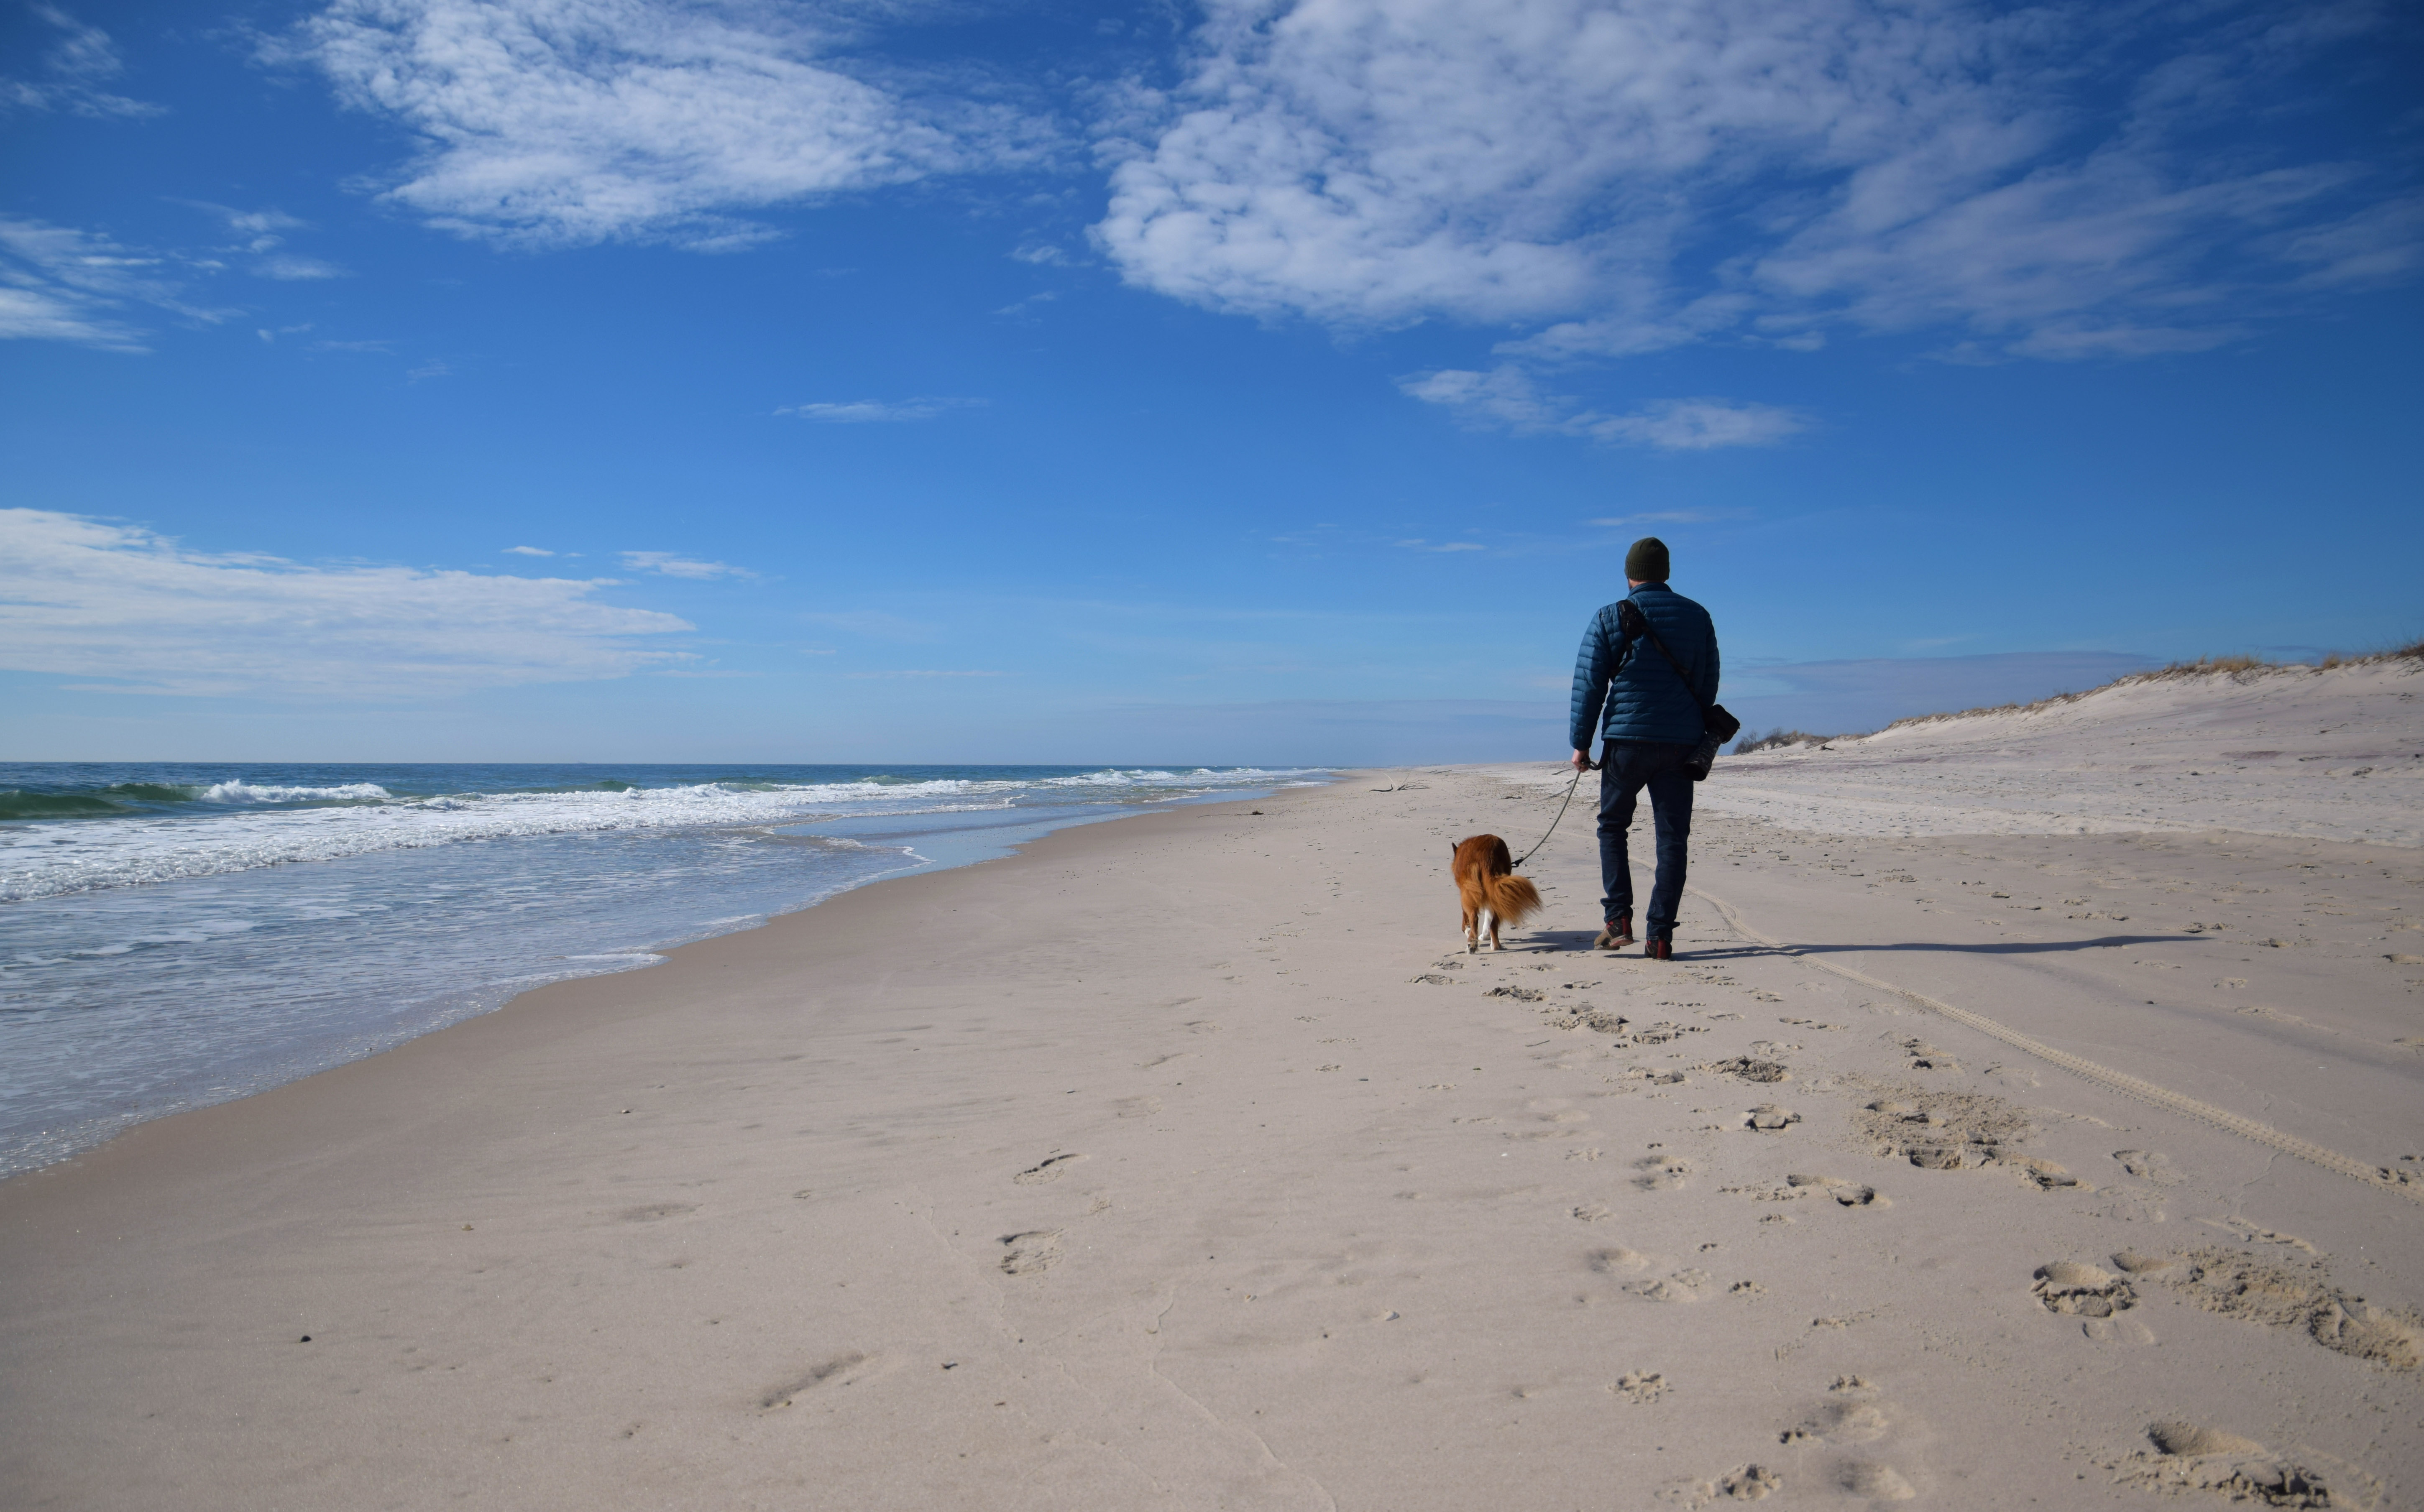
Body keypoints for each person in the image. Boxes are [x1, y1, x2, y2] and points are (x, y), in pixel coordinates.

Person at [1567, 536, 1720, 960]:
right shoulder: (1698, 616)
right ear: (1665, 572)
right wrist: (1689, 723)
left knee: (1613, 826)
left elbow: (1589, 685)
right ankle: (1660, 936)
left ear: (1630, 574)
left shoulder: (1609, 616)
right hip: (1680, 744)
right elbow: (1708, 683)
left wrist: (1581, 744)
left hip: (1626, 742)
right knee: (1672, 839)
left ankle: (1618, 920)